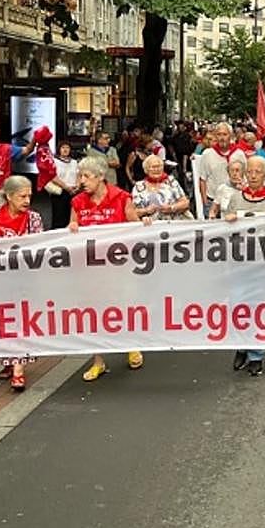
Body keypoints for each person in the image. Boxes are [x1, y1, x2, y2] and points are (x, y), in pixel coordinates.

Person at [68, 154, 147, 381]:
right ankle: (98, 361)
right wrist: (72, 227)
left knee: (123, 307)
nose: (82, 181)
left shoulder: (122, 198)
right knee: (93, 314)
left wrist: (145, 224)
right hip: (90, 268)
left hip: (118, 267)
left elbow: (135, 228)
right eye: (79, 175)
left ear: (101, 177)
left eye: (86, 176)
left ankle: (131, 345)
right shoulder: (78, 202)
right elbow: (71, 228)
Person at [0, 176, 43, 391]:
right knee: (1, 321)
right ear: (9, 196)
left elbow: (39, 247)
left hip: (23, 281)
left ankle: (18, 369)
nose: (27, 200)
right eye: (22, 196)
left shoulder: (33, 219)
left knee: (21, 322)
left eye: (29, 196)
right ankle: (8, 360)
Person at [220, 155, 265, 377]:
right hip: (240, 263)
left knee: (258, 308)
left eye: (258, 172)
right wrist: (227, 219)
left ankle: (256, 354)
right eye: (250, 171)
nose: (253, 175)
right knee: (239, 306)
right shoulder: (236, 198)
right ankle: (241, 346)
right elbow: (224, 228)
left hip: (262, 265)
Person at [198, 122, 245, 218]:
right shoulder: (207, 154)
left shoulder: (239, 154)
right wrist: (205, 202)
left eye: (225, 134)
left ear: (230, 136)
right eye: (219, 134)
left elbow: (245, 176)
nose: (222, 137)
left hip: (233, 199)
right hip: (212, 200)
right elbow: (203, 179)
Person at [131, 153, 191, 220]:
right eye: (153, 167)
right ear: (146, 170)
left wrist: (171, 208)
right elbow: (132, 212)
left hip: (173, 224)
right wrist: (146, 210)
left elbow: (185, 203)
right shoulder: (139, 186)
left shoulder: (171, 181)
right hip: (150, 226)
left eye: (159, 166)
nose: (156, 169)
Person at [49, 140, 80, 229]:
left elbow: (78, 174)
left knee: (70, 216)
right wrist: (66, 187)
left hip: (73, 192)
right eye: (63, 147)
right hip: (60, 191)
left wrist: (77, 186)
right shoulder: (54, 161)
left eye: (67, 147)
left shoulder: (74, 162)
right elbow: (53, 177)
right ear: (59, 149)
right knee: (59, 217)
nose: (65, 150)